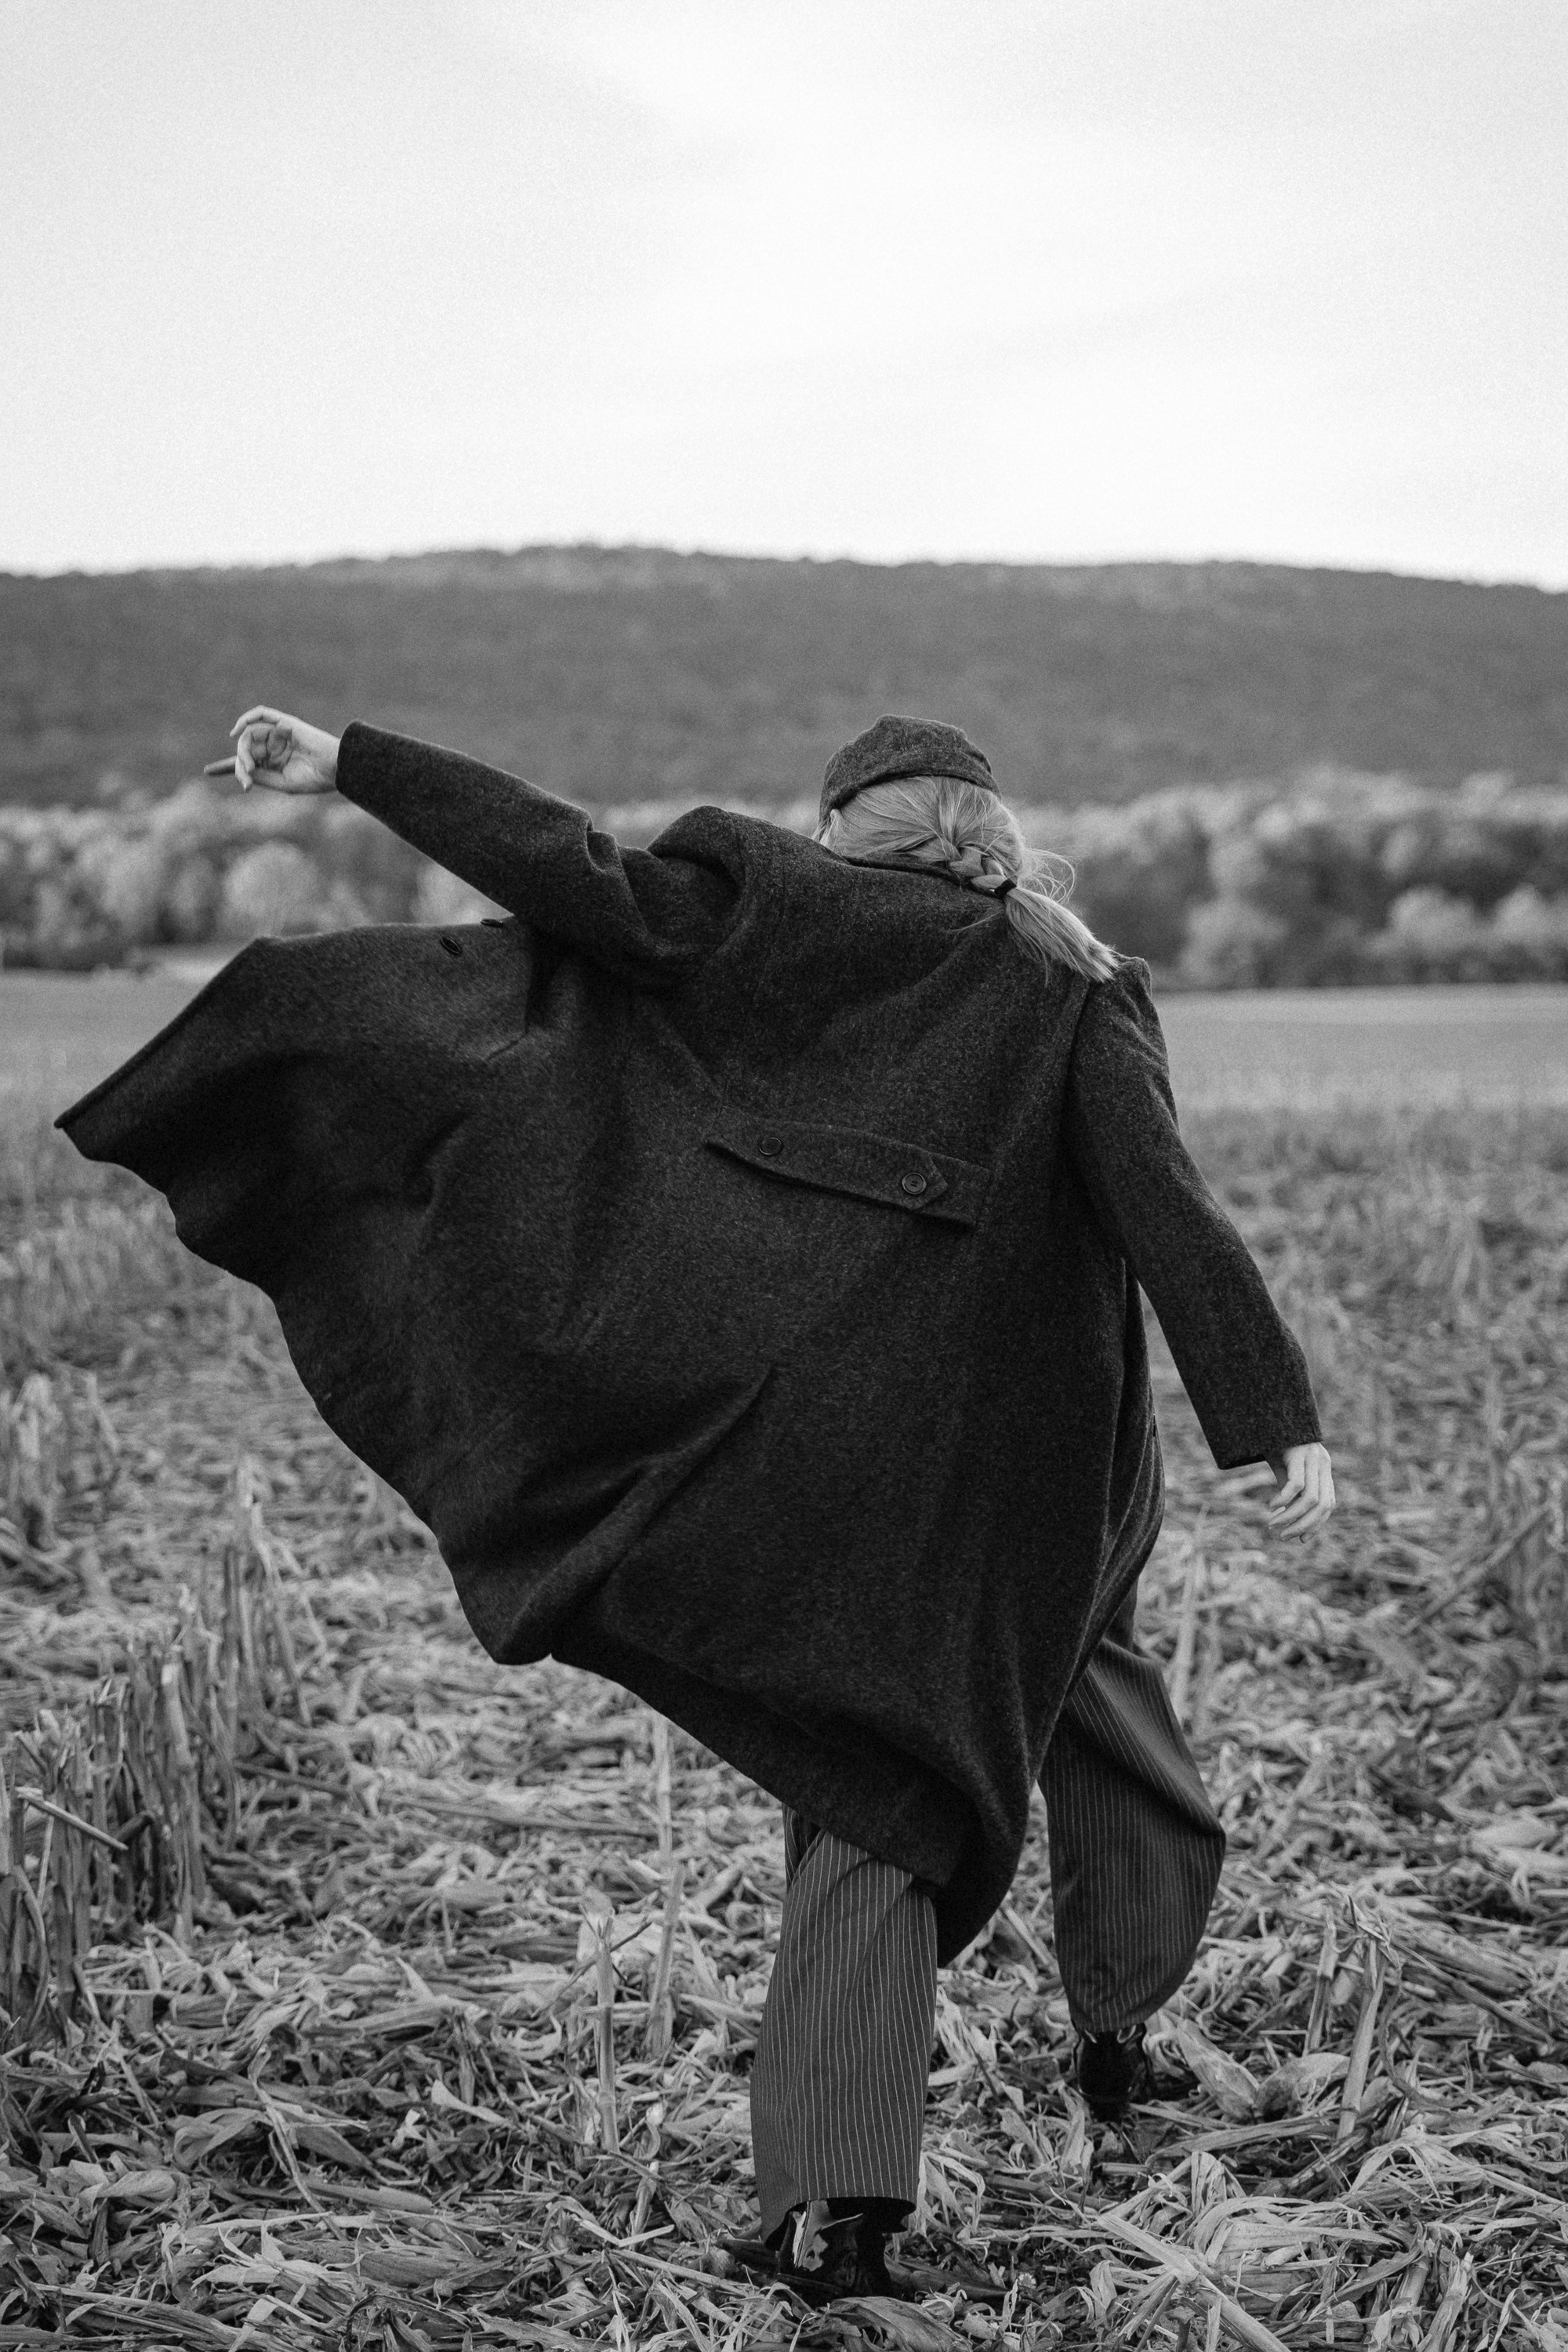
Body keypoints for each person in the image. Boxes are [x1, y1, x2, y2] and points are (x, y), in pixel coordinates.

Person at [62, 706, 1334, 2309]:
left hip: (790, 1457)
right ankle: (1026, 2092)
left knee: (907, 1772)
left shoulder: (763, 912)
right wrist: (1269, 1417)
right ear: (987, 831)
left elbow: (558, 859)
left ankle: (882, 2179)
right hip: (1024, 1478)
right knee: (1014, 1730)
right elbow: (1167, 1204)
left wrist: (353, 763)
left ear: (848, 828)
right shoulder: (1071, 980)